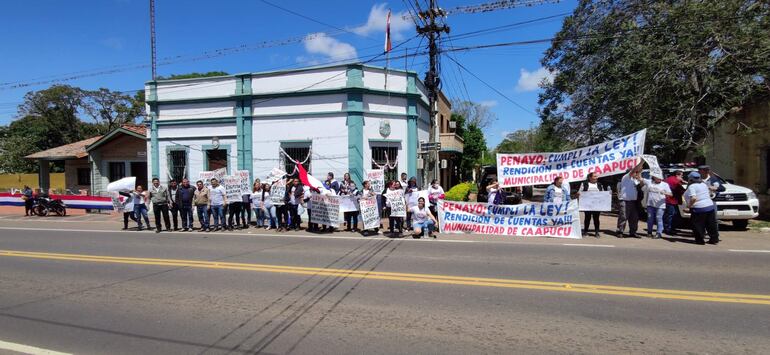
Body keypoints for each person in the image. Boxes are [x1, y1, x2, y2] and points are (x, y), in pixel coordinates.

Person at [684, 172, 719, 245]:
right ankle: (714, 239)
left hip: (699, 208)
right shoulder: (703, 184)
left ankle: (700, 240)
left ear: (690, 179)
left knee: (698, 225)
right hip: (709, 206)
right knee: (711, 224)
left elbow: (693, 198)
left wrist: (689, 206)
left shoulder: (692, 186)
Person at [616, 162, 645, 238]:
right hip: (625, 201)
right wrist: (642, 161)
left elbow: (641, 185)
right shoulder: (626, 177)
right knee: (623, 216)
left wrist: (640, 175)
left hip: (634, 201)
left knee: (634, 217)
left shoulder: (635, 180)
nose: (636, 174)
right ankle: (620, 231)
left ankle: (633, 232)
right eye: (635, 172)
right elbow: (634, 170)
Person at [643, 173, 672, 239]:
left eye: (660, 177)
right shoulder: (650, 182)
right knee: (650, 218)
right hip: (650, 204)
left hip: (660, 205)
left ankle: (659, 233)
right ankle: (649, 232)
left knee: (658, 218)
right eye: (658, 177)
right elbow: (640, 179)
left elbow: (670, 194)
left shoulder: (665, 184)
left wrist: (665, 193)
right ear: (654, 177)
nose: (659, 178)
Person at [578, 172, 604, 237]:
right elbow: (580, 192)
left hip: (597, 205)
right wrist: (579, 194)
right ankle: (585, 231)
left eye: (596, 176)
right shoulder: (584, 184)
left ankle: (597, 232)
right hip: (587, 205)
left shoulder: (599, 184)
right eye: (595, 176)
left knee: (596, 218)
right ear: (590, 177)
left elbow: (603, 193)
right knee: (587, 218)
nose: (596, 178)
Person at [664, 170, 685, 235]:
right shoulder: (675, 181)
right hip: (671, 200)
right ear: (677, 175)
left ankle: (670, 228)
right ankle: (668, 229)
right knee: (670, 215)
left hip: (671, 200)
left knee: (673, 214)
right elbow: (682, 190)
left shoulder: (670, 179)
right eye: (681, 175)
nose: (682, 177)